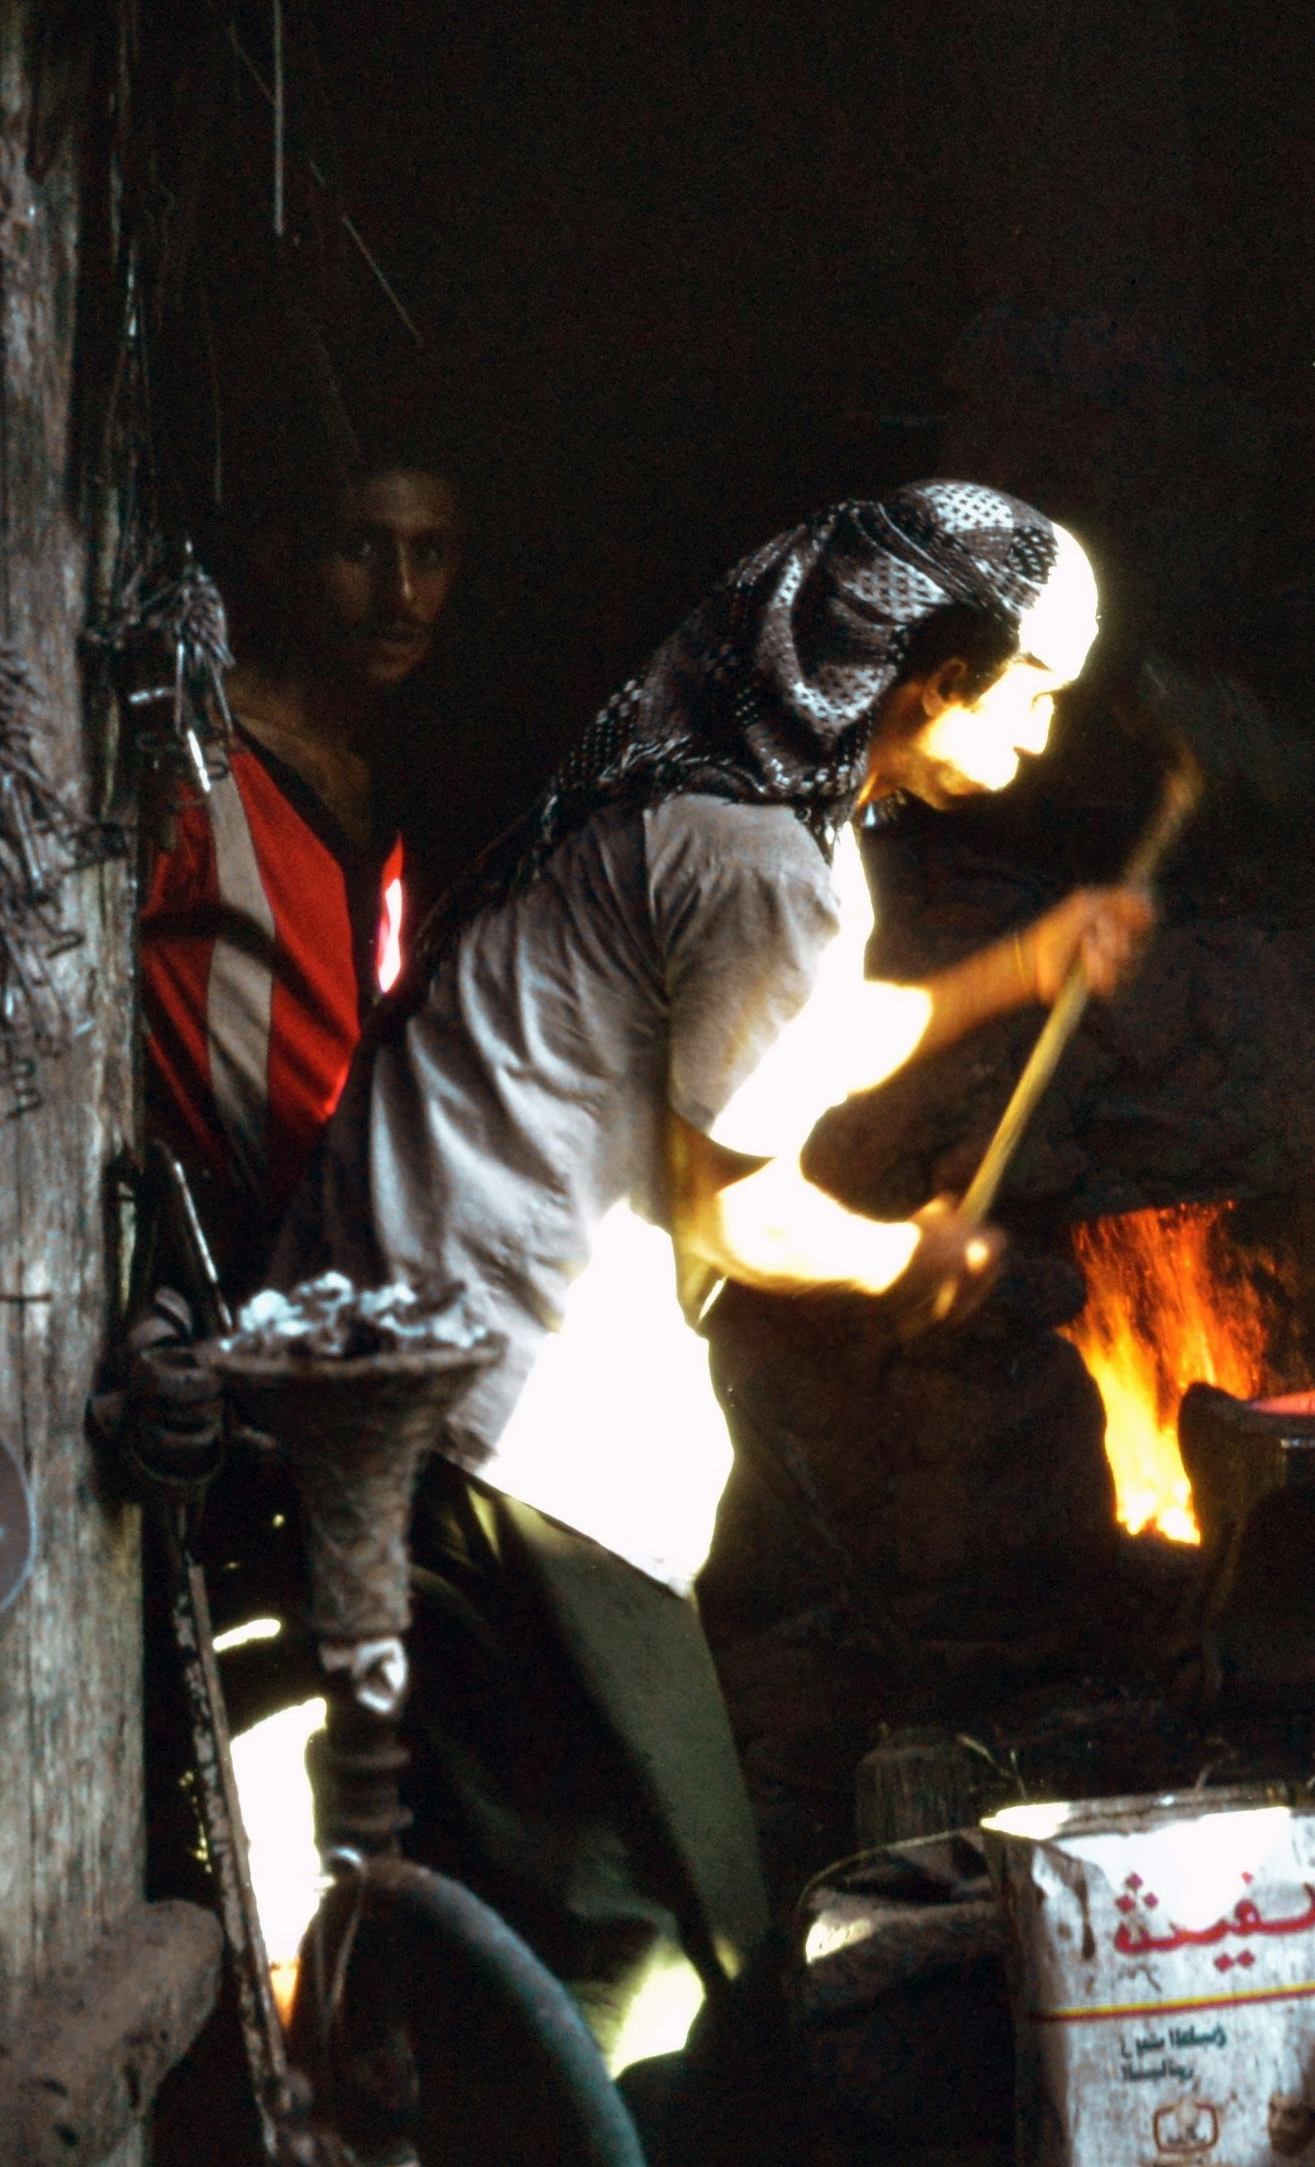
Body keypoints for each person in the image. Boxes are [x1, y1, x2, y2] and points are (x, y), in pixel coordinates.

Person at [275, 483, 1152, 2059]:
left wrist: (1018, 974)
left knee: (511, 1868)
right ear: (920, 674)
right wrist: (907, 1256)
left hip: (407, 1357)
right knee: (661, 1925)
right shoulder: (765, 863)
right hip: (498, 1408)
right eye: (1027, 691)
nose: (1039, 734)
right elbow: (740, 1217)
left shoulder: (712, 799)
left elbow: (774, 1042)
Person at [142, 456, 464, 1282]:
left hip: (353, 1251)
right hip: (225, 1261)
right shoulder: (200, 761)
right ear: (281, 556)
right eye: (362, 550)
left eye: (429, 556)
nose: (400, 597)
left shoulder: (380, 774)